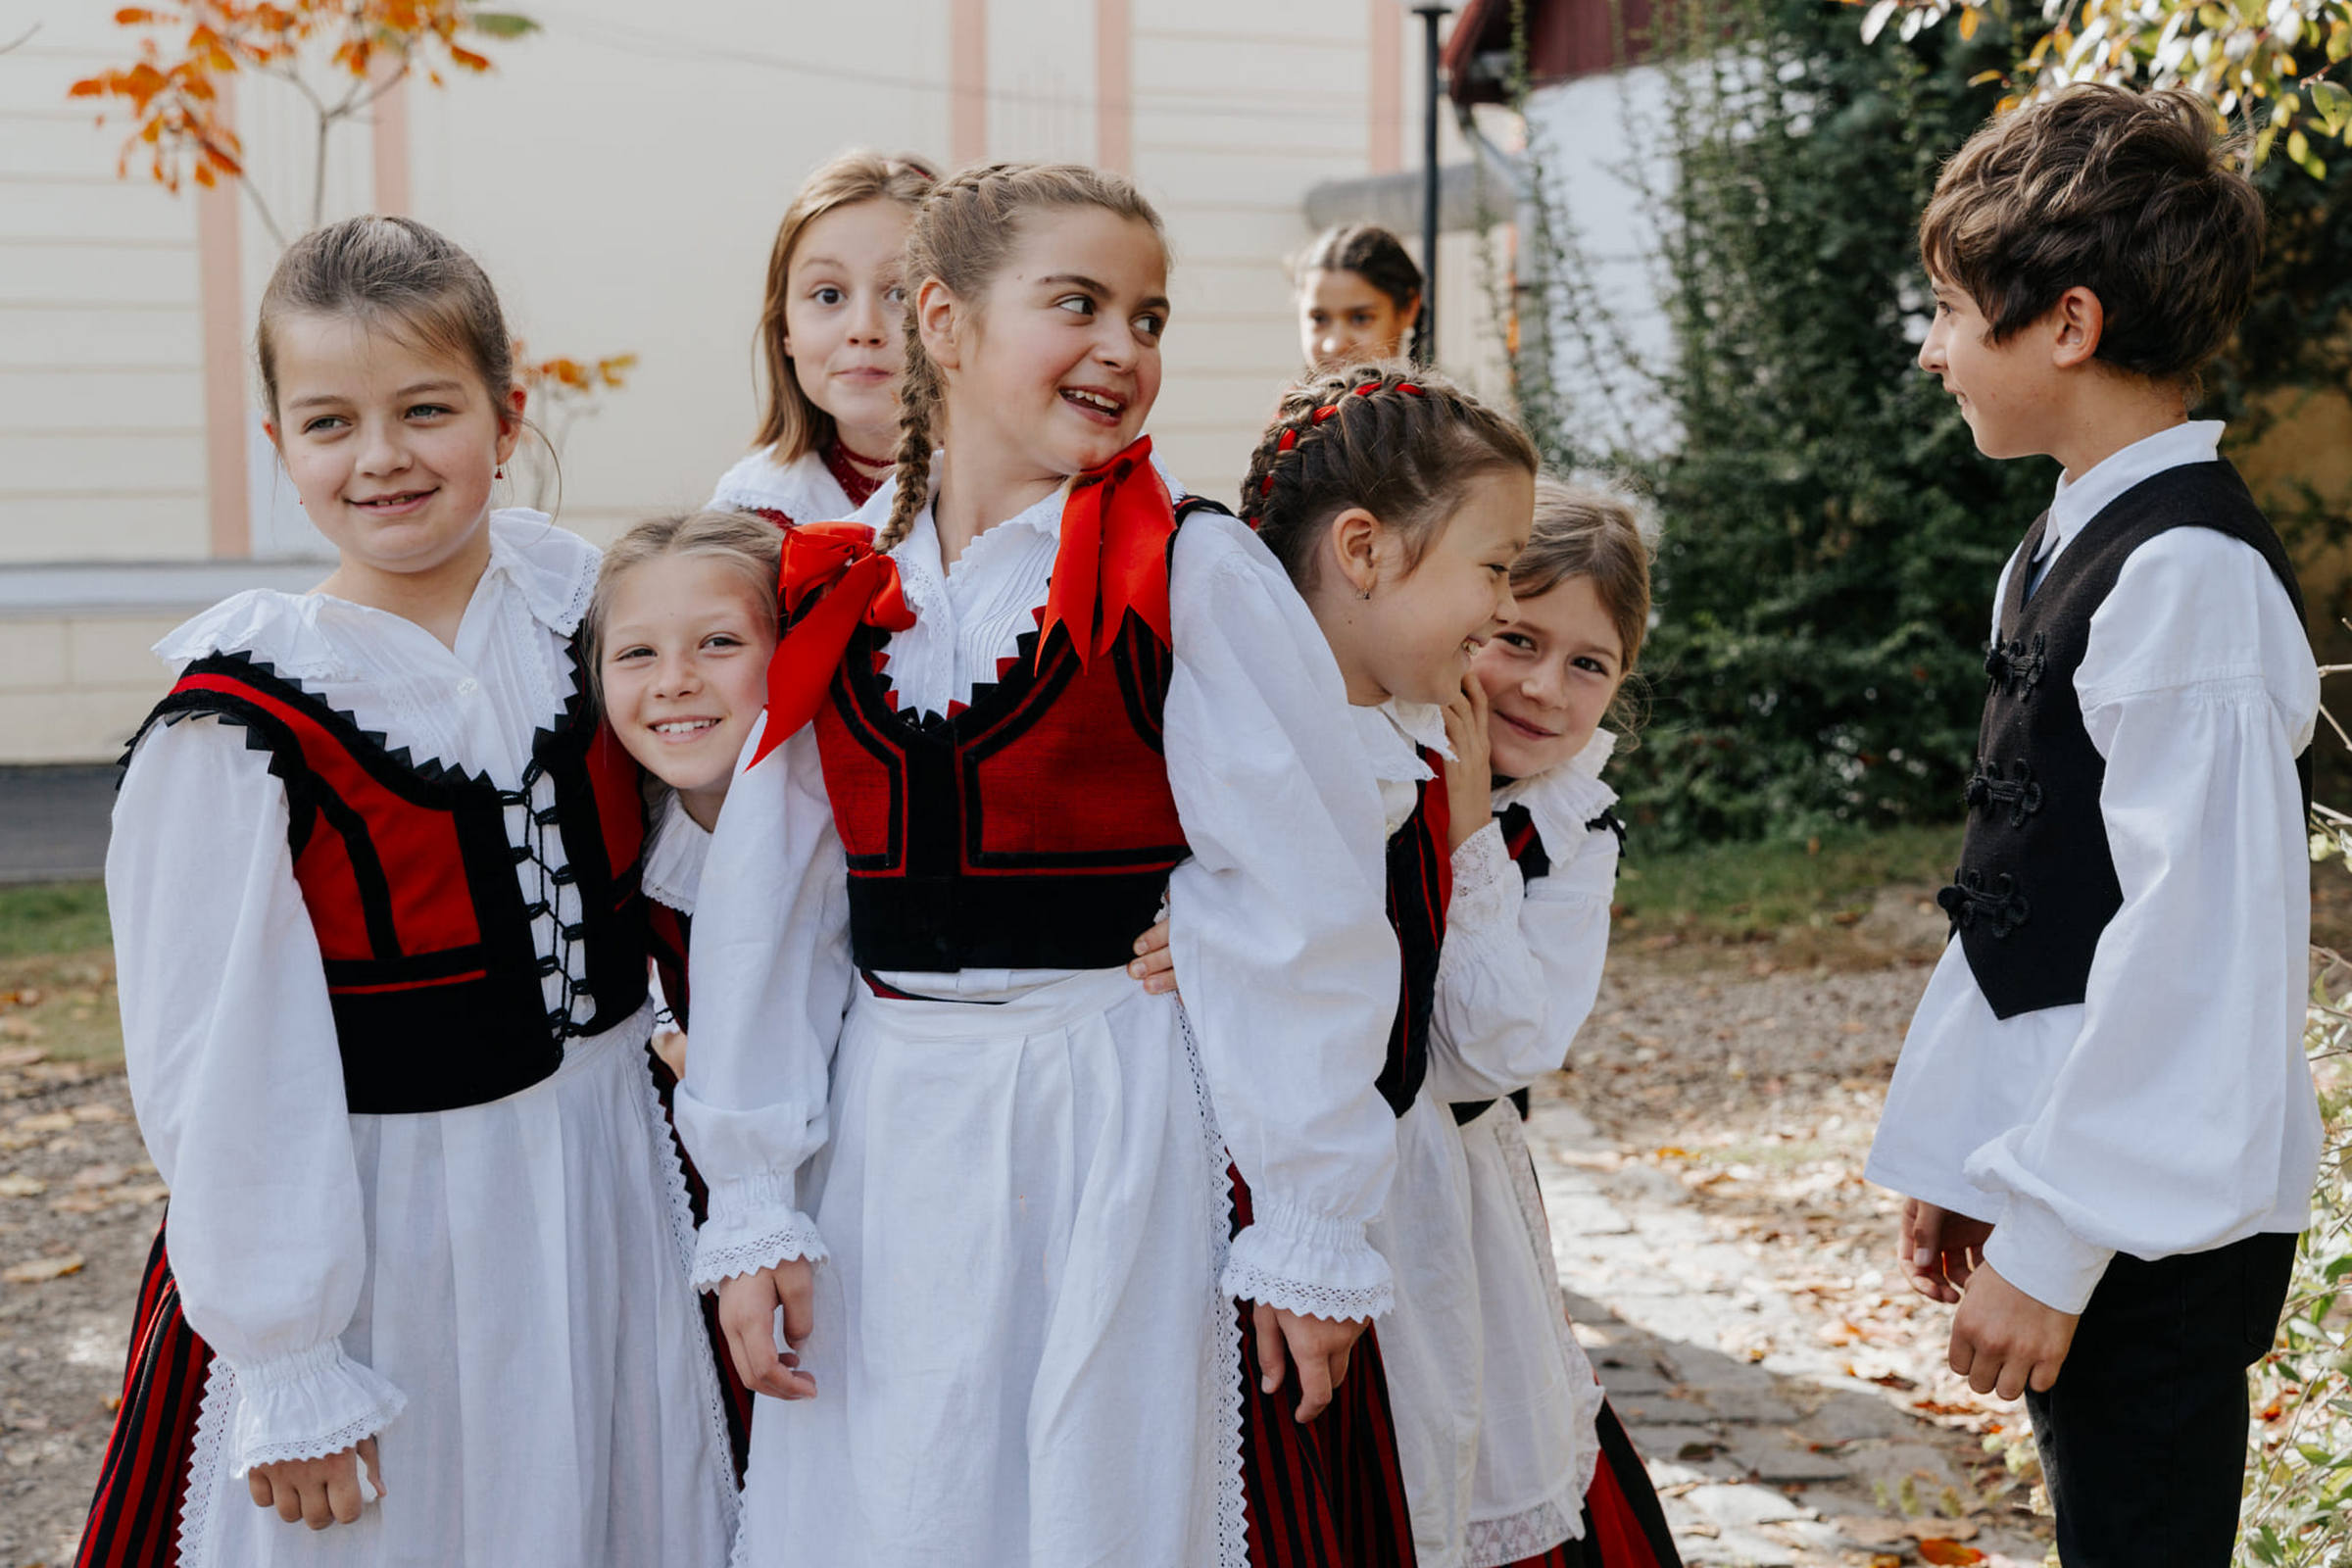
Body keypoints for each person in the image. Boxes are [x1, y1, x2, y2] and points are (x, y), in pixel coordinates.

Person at [676, 162, 1406, 1567]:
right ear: (943, 323)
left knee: (1099, 1493)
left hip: (1109, 1112)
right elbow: (771, 919)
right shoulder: (834, 587)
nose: (1123, 347)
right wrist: (757, 1196)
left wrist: (1313, 1215)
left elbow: (1304, 906)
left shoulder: (1183, 571)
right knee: (900, 1489)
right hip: (891, 1125)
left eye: (1149, 315)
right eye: (1076, 304)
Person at [96, 216, 736, 1567]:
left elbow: (701, 860)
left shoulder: (593, 615)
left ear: (508, 419)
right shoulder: (241, 724)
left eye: (425, 409)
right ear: (281, 449)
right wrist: (291, 1358)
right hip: (392, 1226)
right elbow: (218, 1068)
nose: (380, 456)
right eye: (330, 422)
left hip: (610, 1174)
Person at [1864, 84, 2320, 1565]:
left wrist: (2057, 1236)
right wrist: (1966, 1147)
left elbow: (2202, 963)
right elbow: (2029, 879)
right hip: (2083, 1185)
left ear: (2064, 323)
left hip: (2152, 1228)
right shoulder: (2065, 541)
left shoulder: (2188, 581)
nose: (1931, 349)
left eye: (1947, 309)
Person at [1235, 358, 1540, 1567]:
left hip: (1400, 1216)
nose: (1505, 609)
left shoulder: (1423, 747)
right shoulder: (1252, 752)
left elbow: (1477, 1038)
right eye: (1494, 566)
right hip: (1274, 1232)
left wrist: (1469, 836)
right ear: (1362, 550)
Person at [1435, 479, 1682, 1567]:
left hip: (1452, 1182)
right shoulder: (1366, 758)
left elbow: (1500, 1049)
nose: (1545, 686)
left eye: (1590, 663)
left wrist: (1467, 832)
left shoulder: (1572, 833)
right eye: (1518, 640)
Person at [710, 150, 936, 527]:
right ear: (785, 329)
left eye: (901, 294)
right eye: (829, 295)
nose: (864, 329)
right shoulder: (754, 512)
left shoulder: (1028, 499)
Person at [1294, 223, 1424, 371]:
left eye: (1360, 318)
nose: (1335, 345)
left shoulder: (1438, 395)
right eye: (1319, 319)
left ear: (1408, 310)